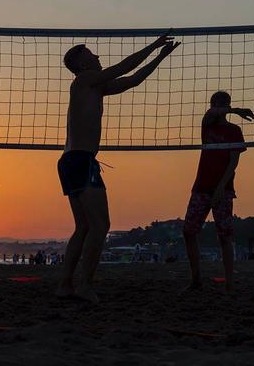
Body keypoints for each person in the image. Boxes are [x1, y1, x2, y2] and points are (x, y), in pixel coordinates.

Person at [57, 34, 180, 303]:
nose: (98, 57)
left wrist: (161, 57)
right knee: (101, 226)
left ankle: (66, 284)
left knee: (84, 227)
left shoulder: (95, 87)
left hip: (72, 160)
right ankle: (84, 286)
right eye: (92, 54)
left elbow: (133, 79)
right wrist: (155, 44)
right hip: (80, 159)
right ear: (81, 63)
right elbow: (124, 67)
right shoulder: (83, 80)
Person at [182, 91, 254, 293]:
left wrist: (221, 188)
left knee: (224, 236)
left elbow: (233, 163)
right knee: (188, 231)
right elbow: (210, 113)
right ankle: (196, 279)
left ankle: (230, 283)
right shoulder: (207, 124)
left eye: (222, 103)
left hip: (223, 189)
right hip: (201, 187)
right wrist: (236, 110)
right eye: (215, 103)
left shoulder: (234, 130)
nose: (217, 106)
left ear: (227, 104)